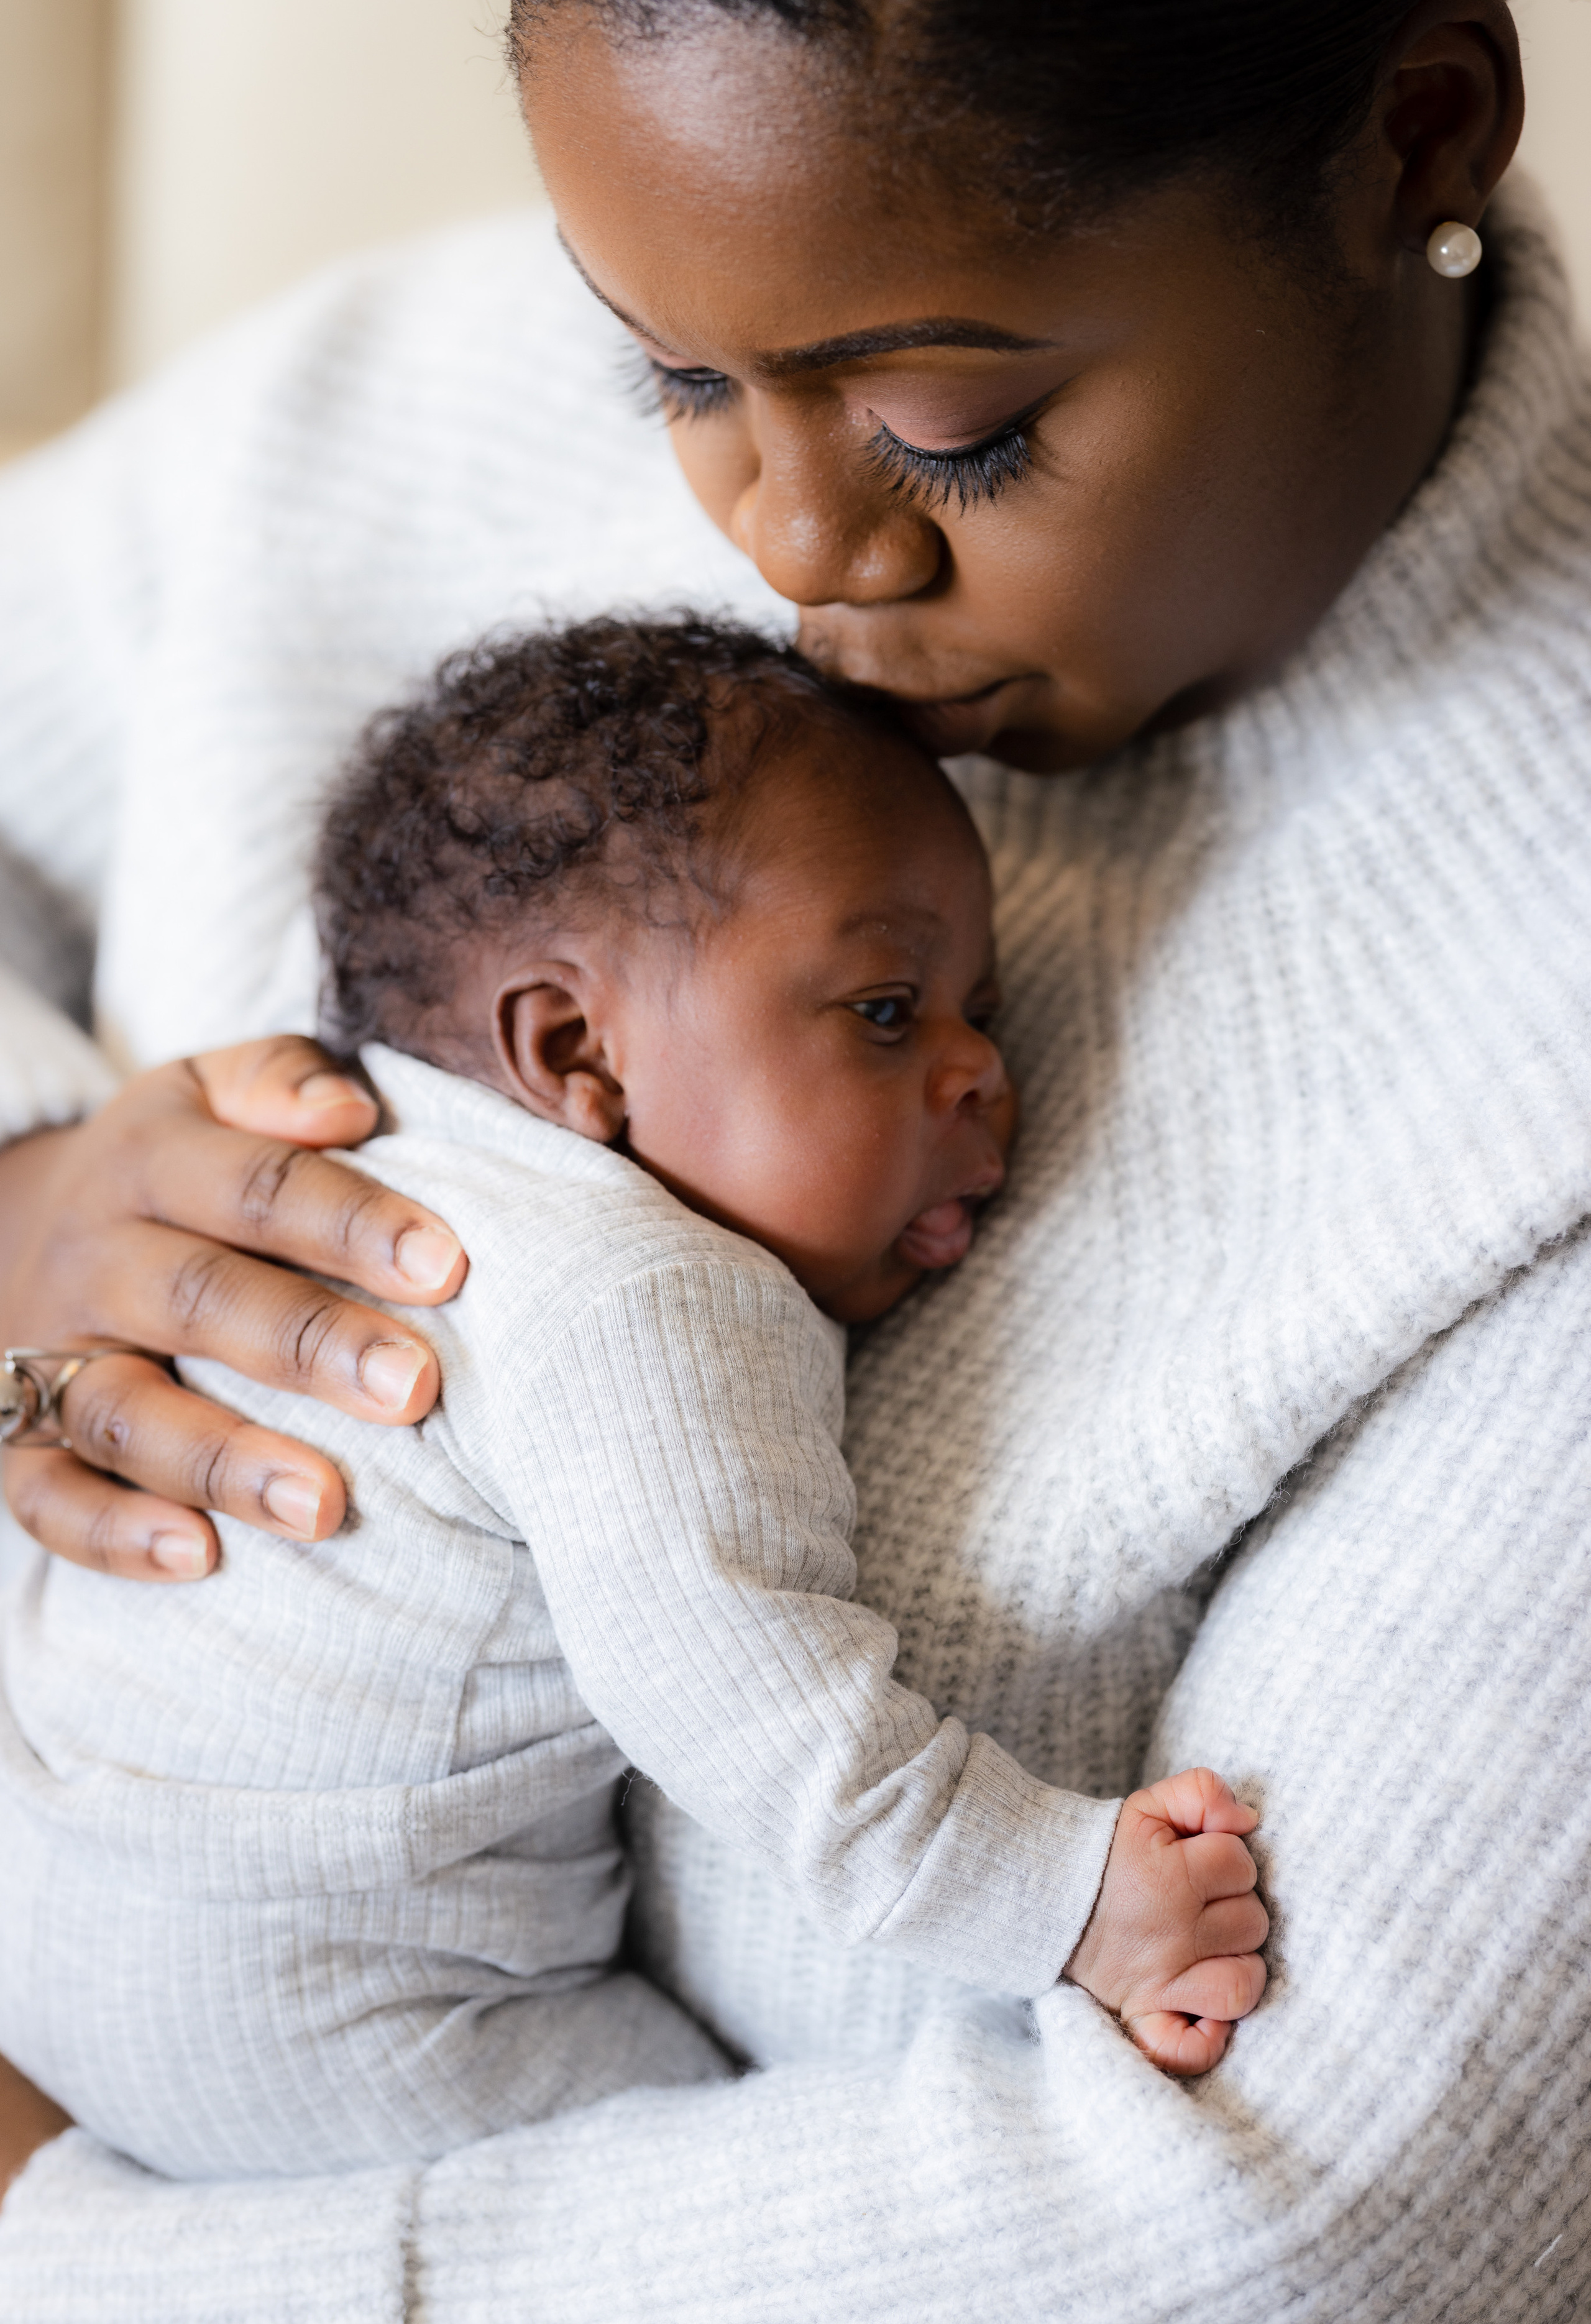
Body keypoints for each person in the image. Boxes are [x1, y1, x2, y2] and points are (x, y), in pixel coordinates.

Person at [0, 0, 1587, 2314]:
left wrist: (71, 2253)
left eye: (950, 424)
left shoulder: (1528, 1030)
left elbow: (1300, 2214)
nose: (793, 547)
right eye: (672, 378)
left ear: (1425, 131)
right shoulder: (406, 398)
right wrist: (25, 1187)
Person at [0, 613, 1265, 2179]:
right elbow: (761, 1714)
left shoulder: (367, 1134)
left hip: (54, 1850)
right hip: (310, 2001)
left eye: (980, 1017)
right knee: (729, 2170)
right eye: (886, 1008)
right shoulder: (639, 1289)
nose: (978, 1073)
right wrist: (1067, 1900)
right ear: (574, 1050)